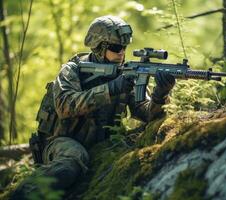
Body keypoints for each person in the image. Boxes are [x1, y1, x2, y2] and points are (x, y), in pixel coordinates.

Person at [11, 15, 175, 199]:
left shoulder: (127, 73)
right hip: (61, 141)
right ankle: (20, 194)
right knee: (72, 162)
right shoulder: (73, 70)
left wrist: (160, 94)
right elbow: (65, 105)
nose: (122, 52)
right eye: (116, 47)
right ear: (99, 48)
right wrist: (111, 88)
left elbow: (145, 112)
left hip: (102, 144)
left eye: (124, 47)